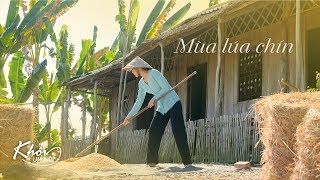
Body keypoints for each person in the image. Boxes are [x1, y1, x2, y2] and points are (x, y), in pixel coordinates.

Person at [122, 56, 192, 168]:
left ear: (138, 67)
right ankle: (152, 162)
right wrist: (129, 117)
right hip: (162, 108)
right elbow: (139, 101)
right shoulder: (141, 83)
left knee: (178, 131)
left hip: (173, 103)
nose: (131, 71)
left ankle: (187, 163)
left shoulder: (154, 73)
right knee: (153, 131)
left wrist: (154, 98)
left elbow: (166, 87)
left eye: (132, 69)